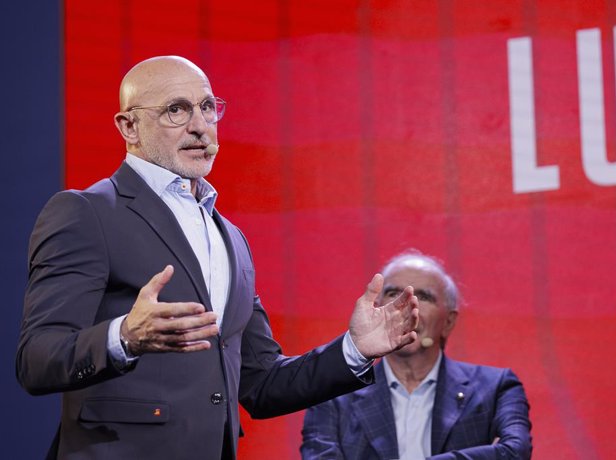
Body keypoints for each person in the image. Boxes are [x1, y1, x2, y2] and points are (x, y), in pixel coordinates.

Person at [16, 55, 420, 460]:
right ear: (129, 126)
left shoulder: (232, 238)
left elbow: (261, 384)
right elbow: (37, 358)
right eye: (176, 110)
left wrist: (355, 349)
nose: (199, 125)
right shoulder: (87, 212)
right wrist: (124, 337)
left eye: (207, 107)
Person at [301, 250, 533, 459]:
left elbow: (515, 452)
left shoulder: (495, 388)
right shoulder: (333, 395)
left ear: (448, 322)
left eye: (423, 297)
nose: (407, 307)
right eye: (393, 294)